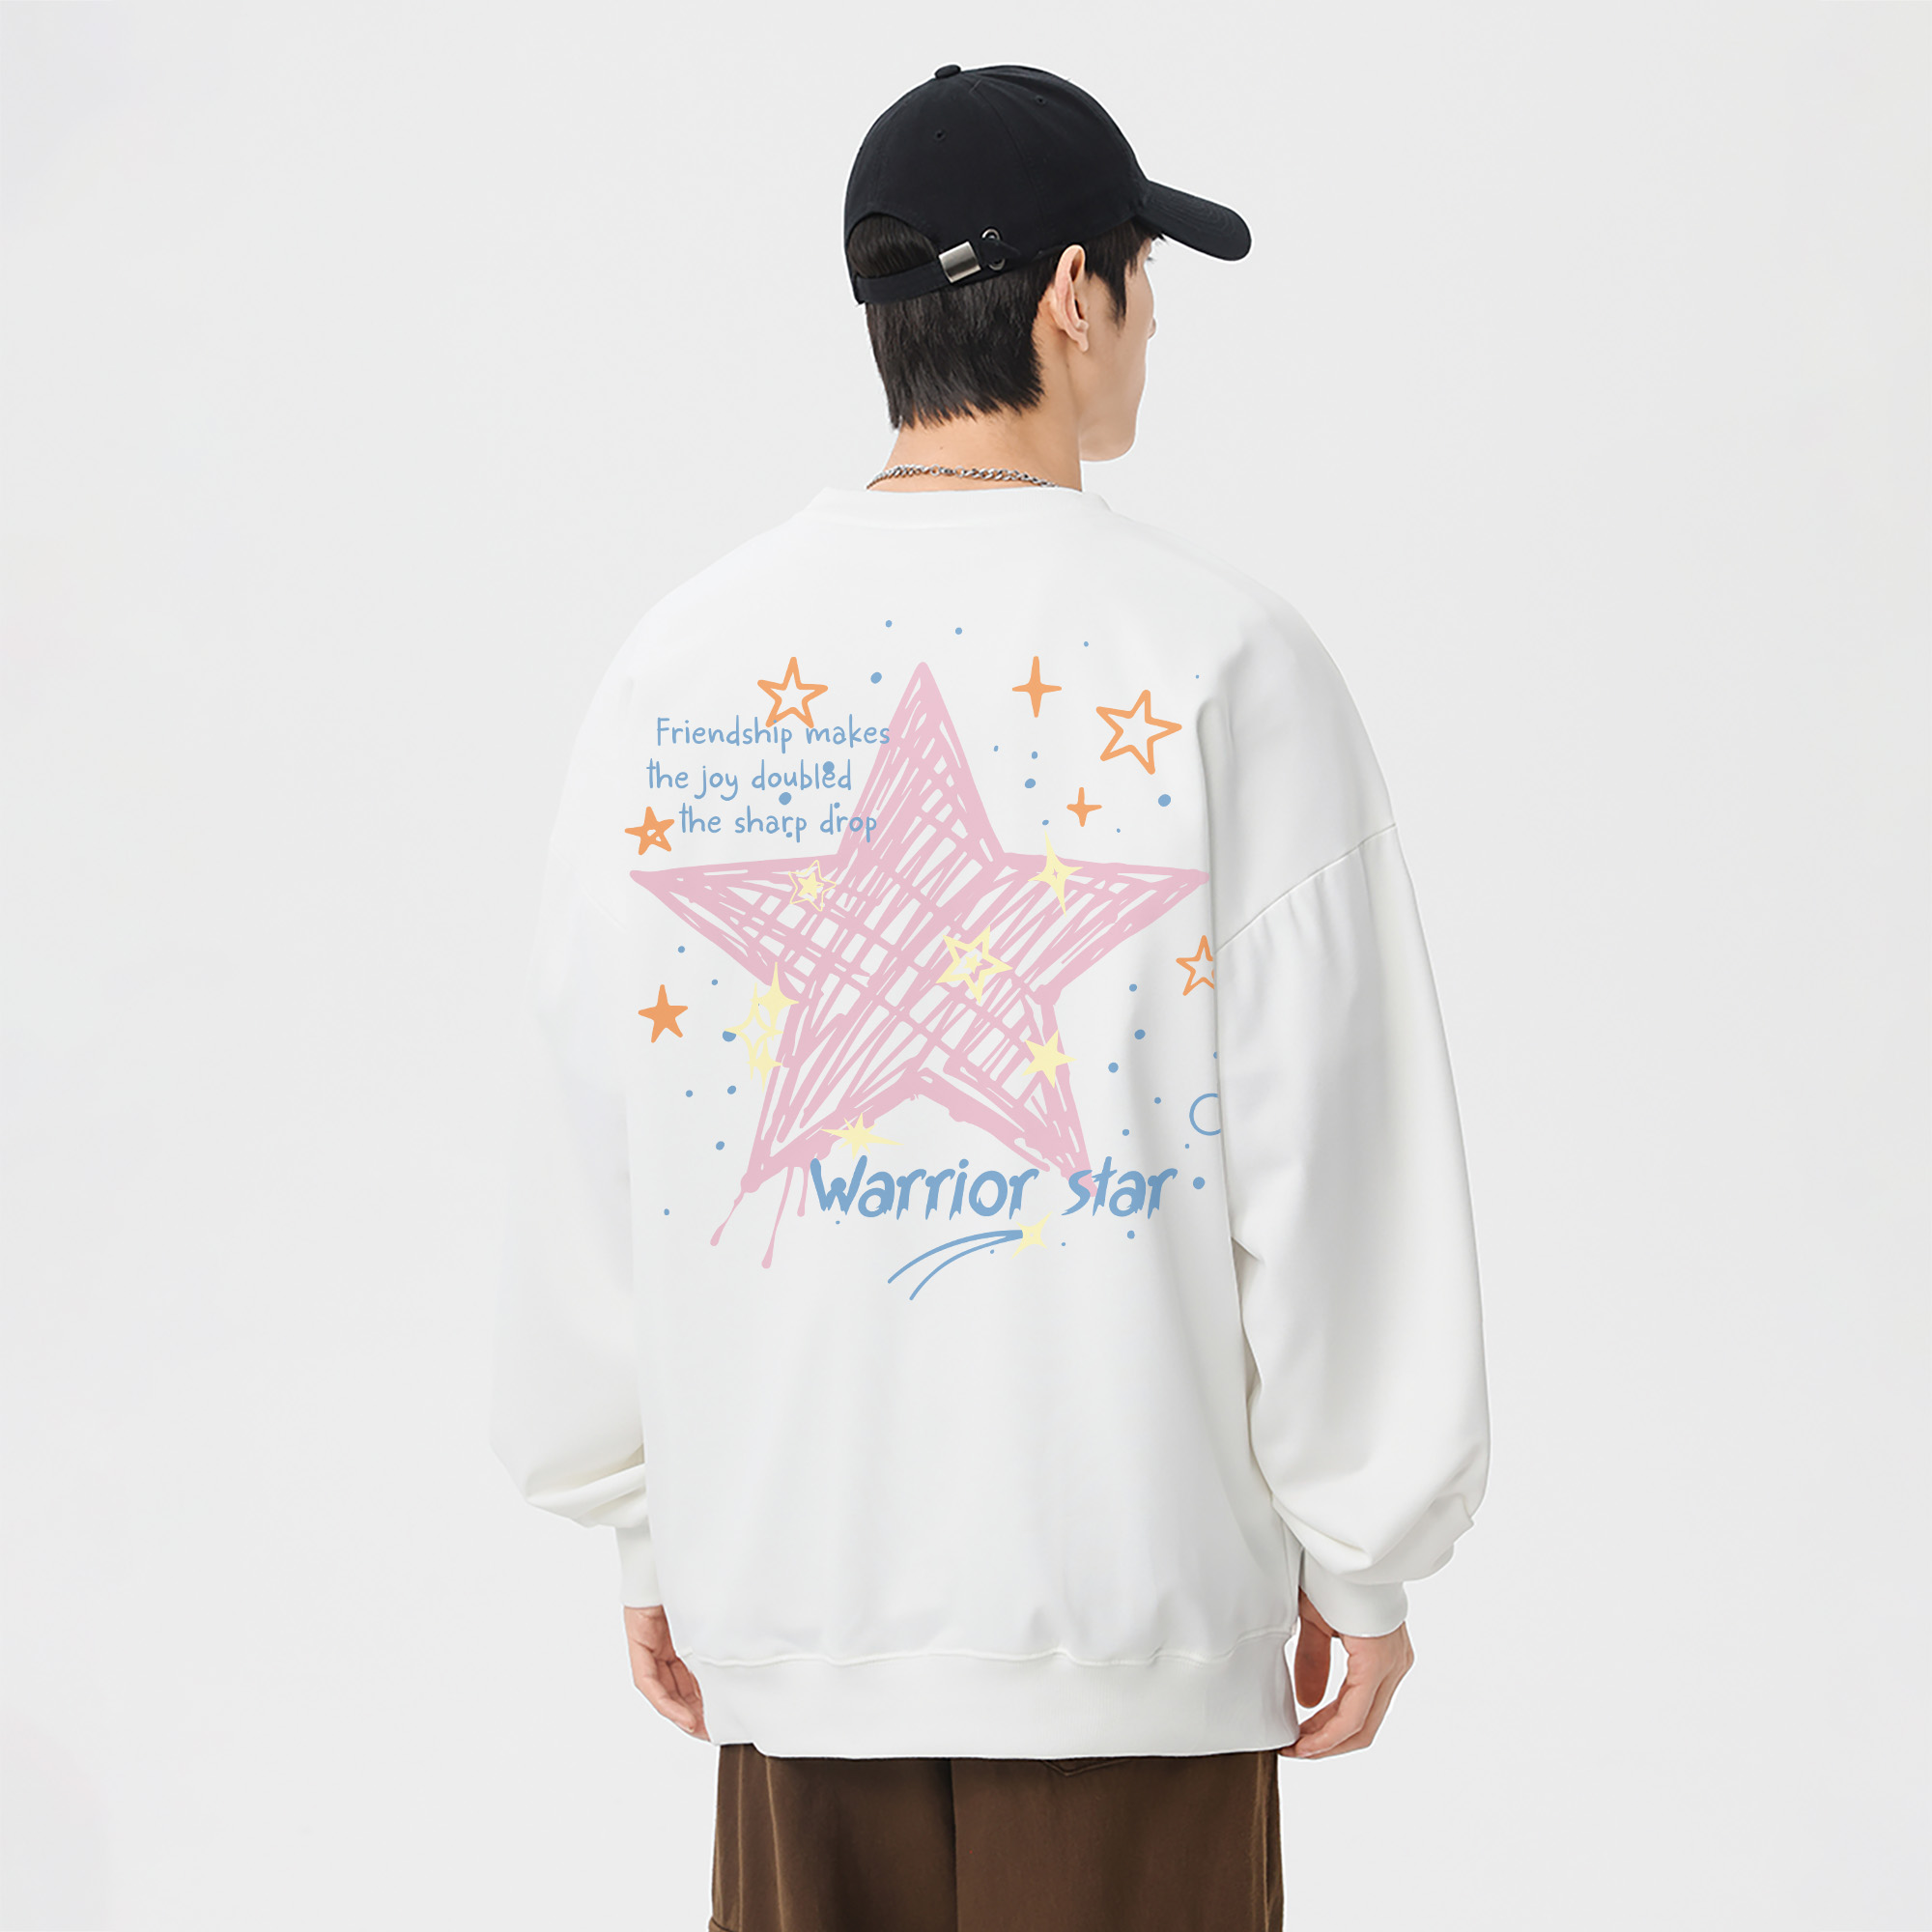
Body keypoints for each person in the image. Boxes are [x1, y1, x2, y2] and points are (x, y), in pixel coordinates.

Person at [488, 61, 1491, 1932]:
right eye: (1146, 278)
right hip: (1132, 1619)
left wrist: (644, 1519)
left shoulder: (680, 664)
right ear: (1072, 296)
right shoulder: (1219, 659)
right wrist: (1365, 1549)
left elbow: (594, 1127)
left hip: (793, 1609)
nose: (1154, 326)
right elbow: (1334, 1147)